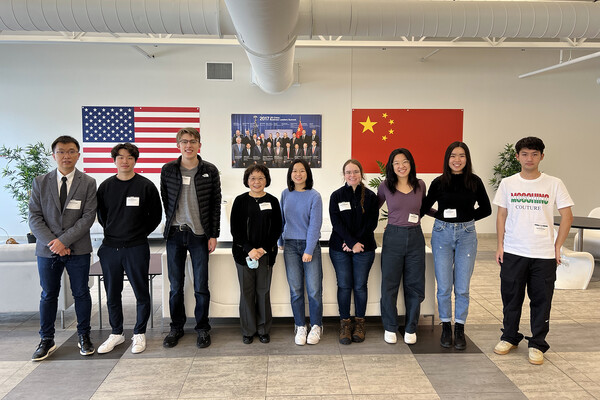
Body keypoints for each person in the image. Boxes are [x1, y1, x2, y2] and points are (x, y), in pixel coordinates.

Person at [493, 136, 573, 365]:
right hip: (514, 251)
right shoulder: (508, 183)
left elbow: (567, 216)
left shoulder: (554, 183)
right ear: (517, 156)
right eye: (525, 154)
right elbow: (501, 215)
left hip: (543, 254)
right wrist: (500, 245)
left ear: (542, 157)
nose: (529, 158)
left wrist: (557, 246)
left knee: (541, 299)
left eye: (534, 154)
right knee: (511, 297)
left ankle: (537, 343)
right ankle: (509, 336)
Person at [29, 135, 97, 361]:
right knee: (48, 294)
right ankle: (46, 339)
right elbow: (35, 218)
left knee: (81, 293)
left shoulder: (88, 182)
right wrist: (55, 243)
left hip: (77, 249)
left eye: (70, 151)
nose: (66, 156)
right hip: (48, 251)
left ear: (78, 154)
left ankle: (84, 336)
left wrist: (64, 241)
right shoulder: (40, 182)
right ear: (53, 155)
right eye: (61, 151)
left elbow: (87, 217)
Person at [420, 142, 491, 350]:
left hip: (467, 235)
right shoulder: (439, 182)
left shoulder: (474, 182)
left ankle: (459, 327)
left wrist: (467, 219)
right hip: (442, 234)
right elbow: (424, 207)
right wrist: (439, 217)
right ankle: (445, 325)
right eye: (453, 156)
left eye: (461, 156)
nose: (457, 160)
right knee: (443, 286)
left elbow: (486, 209)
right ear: (447, 159)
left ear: (467, 159)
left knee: (462, 287)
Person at [96, 143, 162, 354]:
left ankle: (139, 333)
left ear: (135, 160)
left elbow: (156, 216)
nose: (125, 161)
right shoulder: (106, 186)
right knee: (112, 293)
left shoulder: (145, 186)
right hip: (110, 248)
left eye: (129, 157)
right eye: (121, 157)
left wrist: (137, 233)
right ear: (114, 160)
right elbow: (102, 216)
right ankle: (116, 333)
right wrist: (116, 233)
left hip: (136, 246)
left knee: (141, 292)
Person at [160, 127, 221, 349]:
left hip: (200, 235)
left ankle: (203, 328)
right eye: (184, 141)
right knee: (176, 286)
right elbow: (166, 200)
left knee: (201, 285)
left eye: (193, 141)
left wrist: (214, 234)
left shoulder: (209, 170)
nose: (189, 145)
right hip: (175, 234)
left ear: (199, 145)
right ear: (178, 145)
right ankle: (176, 328)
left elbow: (215, 205)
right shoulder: (168, 170)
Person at [378, 148, 426, 345]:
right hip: (393, 236)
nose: (401, 166)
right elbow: (371, 208)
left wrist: (446, 215)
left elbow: (423, 208)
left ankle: (410, 327)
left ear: (411, 163)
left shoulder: (420, 185)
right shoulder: (385, 186)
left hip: (415, 237)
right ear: (391, 166)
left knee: (414, 285)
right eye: (396, 162)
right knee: (389, 284)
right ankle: (390, 326)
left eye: (405, 161)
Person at [230, 165, 282, 344]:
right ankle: (248, 330)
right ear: (247, 180)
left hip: (266, 255)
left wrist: (263, 249)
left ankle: (263, 329)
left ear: (266, 180)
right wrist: (249, 249)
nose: (256, 182)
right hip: (244, 255)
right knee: (246, 292)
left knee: (263, 291)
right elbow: (235, 230)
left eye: (260, 178)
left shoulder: (273, 201)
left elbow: (277, 228)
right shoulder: (240, 201)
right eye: (252, 178)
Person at [329, 160, 379, 344]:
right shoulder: (336, 196)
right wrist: (350, 242)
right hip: (339, 248)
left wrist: (355, 243)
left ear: (361, 173)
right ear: (343, 175)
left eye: (355, 171)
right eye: (348, 172)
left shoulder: (371, 196)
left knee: (359, 286)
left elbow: (371, 224)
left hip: (364, 248)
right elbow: (337, 223)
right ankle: (344, 324)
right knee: (343, 285)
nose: (352, 175)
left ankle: (359, 323)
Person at [279, 160, 323, 345]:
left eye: (302, 171)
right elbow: (281, 219)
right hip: (289, 246)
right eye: (295, 171)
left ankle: (316, 326)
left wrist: (308, 249)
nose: (298, 174)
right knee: (296, 290)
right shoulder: (285, 194)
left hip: (309, 246)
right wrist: (280, 240)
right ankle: (300, 326)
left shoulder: (315, 196)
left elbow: (315, 224)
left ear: (307, 174)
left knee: (313, 290)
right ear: (290, 174)